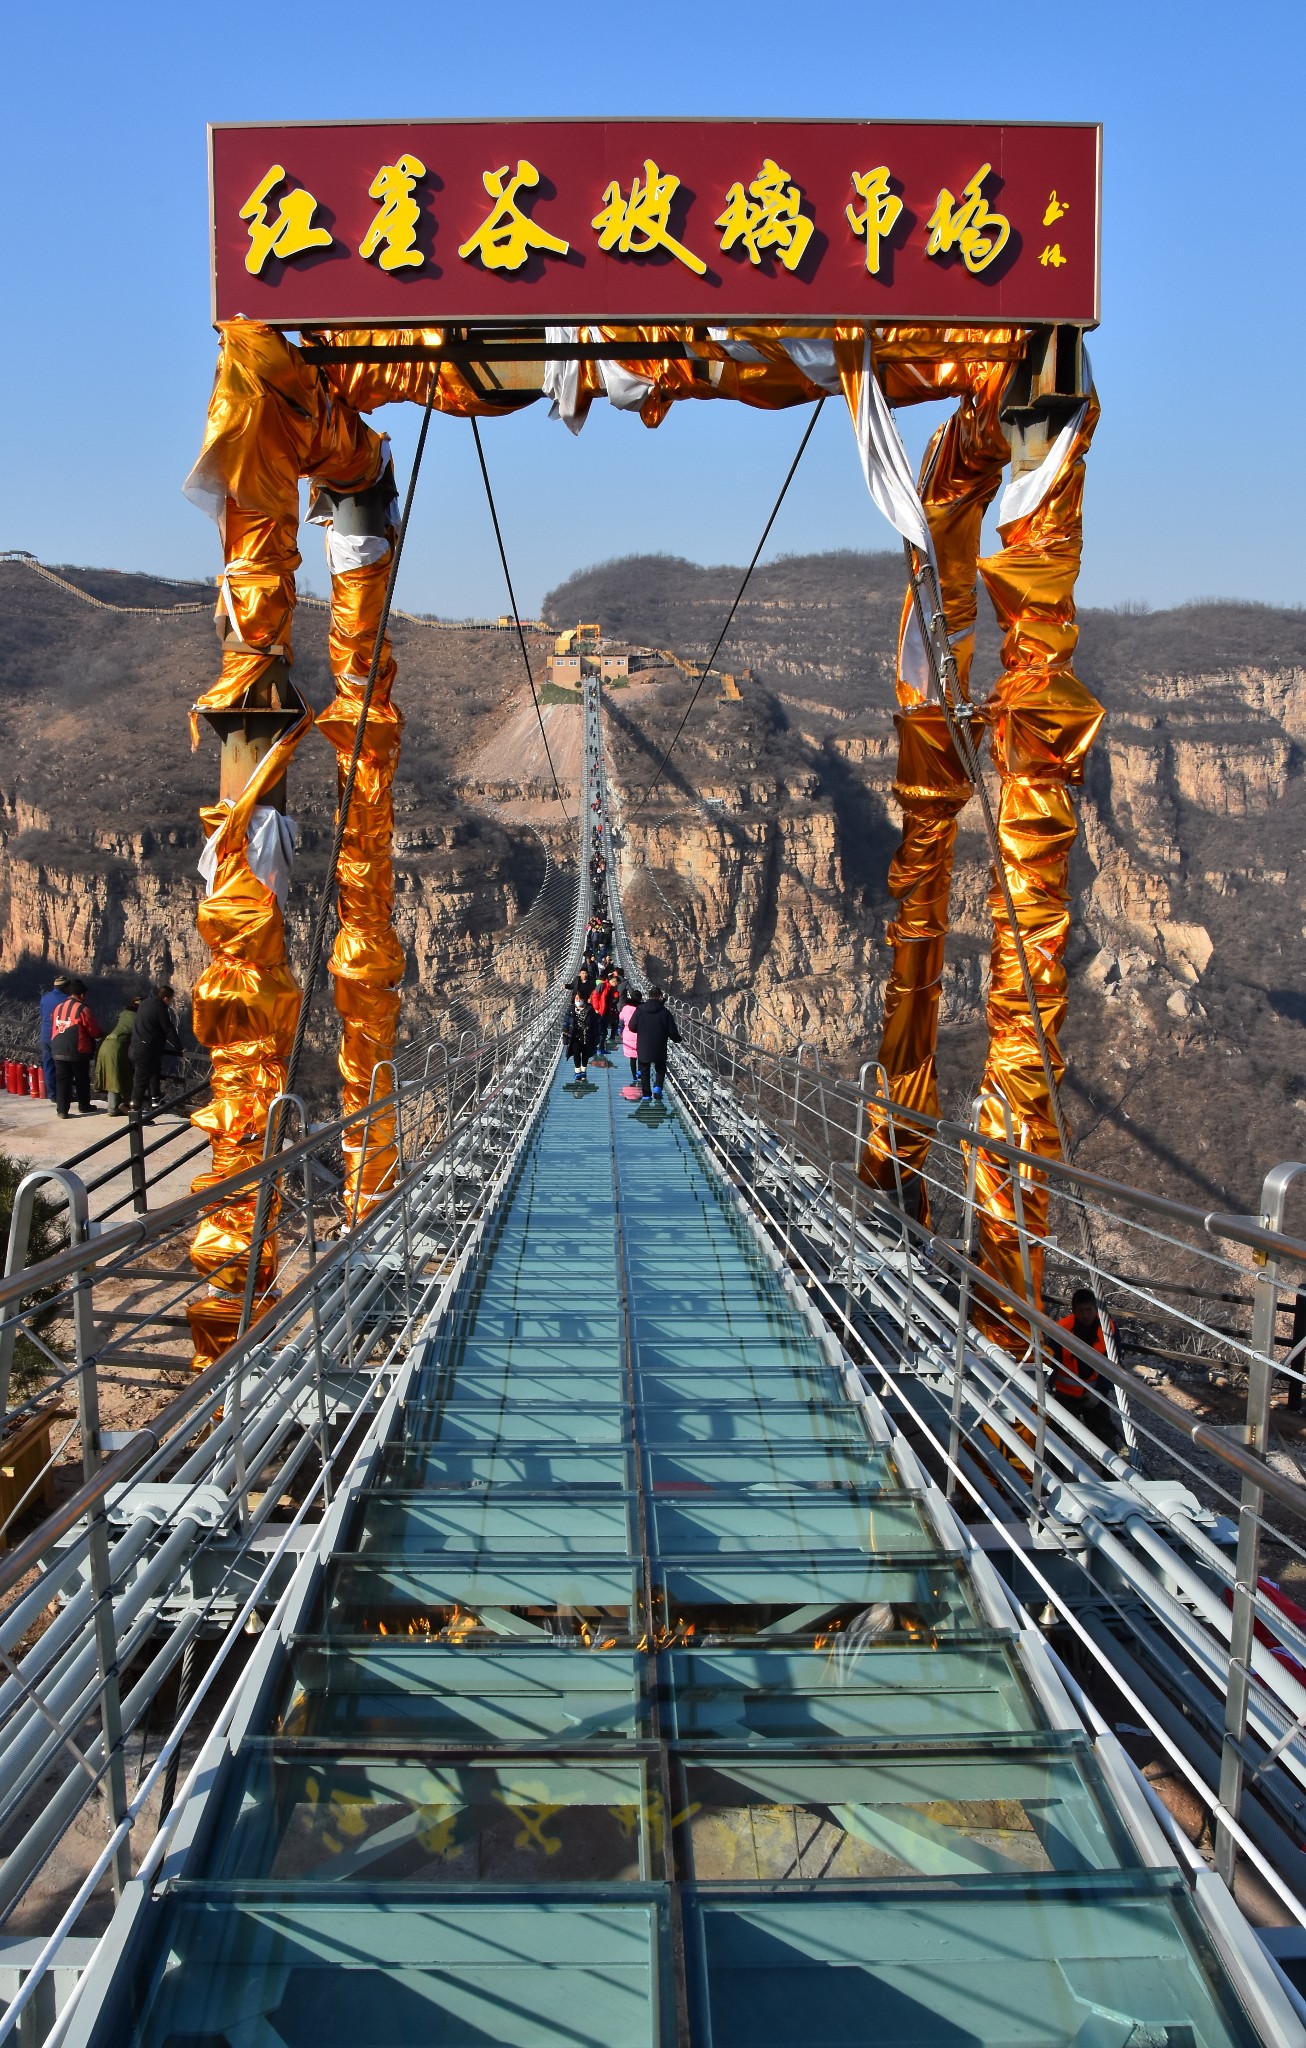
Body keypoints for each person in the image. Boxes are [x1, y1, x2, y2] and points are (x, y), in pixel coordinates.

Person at [1055, 1288, 1123, 1447]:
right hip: (1066, 1394)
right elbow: (1052, 1359)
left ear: (1095, 1310)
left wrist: (1099, 1392)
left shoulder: (1108, 1329)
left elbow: (1113, 1364)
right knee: (1061, 1437)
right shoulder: (1062, 1328)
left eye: (1088, 1310)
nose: (1085, 1315)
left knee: (1104, 1437)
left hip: (1094, 1392)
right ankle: (1057, 1469)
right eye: (1080, 1311)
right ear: (1073, 1311)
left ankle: (1109, 1472)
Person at [49, 980, 101, 1118]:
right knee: (81, 1078)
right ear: (82, 995)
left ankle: (62, 1110)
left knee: (62, 1080)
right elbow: (94, 1031)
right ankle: (84, 1105)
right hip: (77, 1049)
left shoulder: (58, 1007)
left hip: (57, 1048)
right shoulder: (83, 1009)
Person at [130, 984, 181, 1116]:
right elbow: (168, 1029)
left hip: (135, 1046)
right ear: (166, 998)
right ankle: (135, 1113)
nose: (169, 1003)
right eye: (170, 1000)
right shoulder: (160, 1008)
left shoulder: (145, 1003)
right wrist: (179, 1047)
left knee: (153, 1072)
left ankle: (155, 1100)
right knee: (140, 1081)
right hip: (147, 1049)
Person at [635, 986, 681, 1102]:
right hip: (659, 1045)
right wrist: (678, 1039)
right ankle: (657, 1087)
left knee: (644, 1069)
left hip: (643, 1045)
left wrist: (641, 1030)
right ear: (660, 997)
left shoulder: (640, 1009)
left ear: (648, 996)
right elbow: (672, 1031)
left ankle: (646, 1094)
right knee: (660, 1068)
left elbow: (632, 1026)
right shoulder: (665, 1012)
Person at [95, 998, 139, 1114]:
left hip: (103, 1046)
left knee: (111, 1076)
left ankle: (115, 1105)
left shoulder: (121, 1015)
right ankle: (114, 1107)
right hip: (116, 1048)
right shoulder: (138, 1018)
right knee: (118, 1076)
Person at [39, 974, 70, 1104]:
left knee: (48, 1065)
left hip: (45, 1036)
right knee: (64, 1068)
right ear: (65, 987)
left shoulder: (44, 998)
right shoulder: (67, 1001)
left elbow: (42, 1015)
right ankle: (64, 1095)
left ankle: (52, 1094)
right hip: (59, 1035)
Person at [561, 988, 599, 1082]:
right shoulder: (570, 1009)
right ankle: (577, 1072)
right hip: (574, 1035)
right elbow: (566, 1022)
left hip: (587, 1035)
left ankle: (584, 1071)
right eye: (576, 998)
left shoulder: (590, 1010)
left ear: (583, 999)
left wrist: (597, 1036)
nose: (578, 1000)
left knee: (585, 1053)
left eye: (580, 998)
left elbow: (595, 1024)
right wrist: (565, 1035)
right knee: (576, 1052)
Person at [619, 986, 642, 1094]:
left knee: (632, 1058)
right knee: (642, 1055)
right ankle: (640, 1072)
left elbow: (621, 1018)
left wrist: (620, 1029)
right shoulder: (642, 1008)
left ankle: (634, 1076)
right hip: (641, 1035)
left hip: (628, 1034)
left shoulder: (626, 1008)